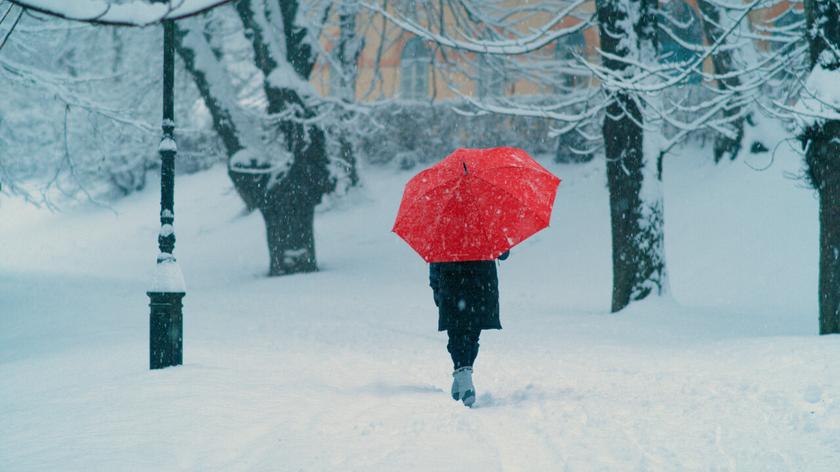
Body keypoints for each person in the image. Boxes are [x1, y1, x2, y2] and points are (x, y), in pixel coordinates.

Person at [429, 250, 509, 407]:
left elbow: (435, 258)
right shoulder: (486, 226)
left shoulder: (444, 229)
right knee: (471, 332)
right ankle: (463, 378)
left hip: (453, 280)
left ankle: (463, 377)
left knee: (457, 332)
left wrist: (435, 285)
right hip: (482, 281)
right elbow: (503, 254)